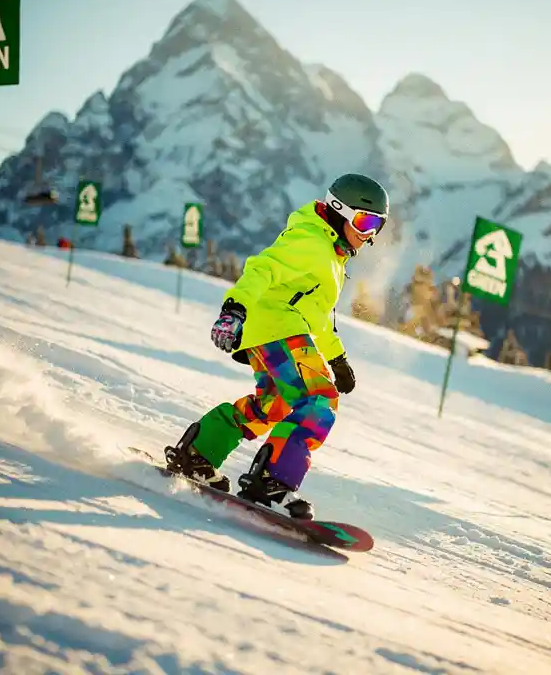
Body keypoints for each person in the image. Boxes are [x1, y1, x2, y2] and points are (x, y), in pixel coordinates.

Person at [164, 173, 390, 519]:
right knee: (318, 398)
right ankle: (272, 480)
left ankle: (199, 453)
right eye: (364, 221)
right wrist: (234, 310)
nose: (369, 234)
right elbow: (262, 269)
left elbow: (317, 314)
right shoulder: (311, 241)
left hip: (271, 329)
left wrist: (337, 358)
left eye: (378, 225)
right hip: (277, 327)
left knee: (275, 403)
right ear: (339, 210)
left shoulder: (330, 252)